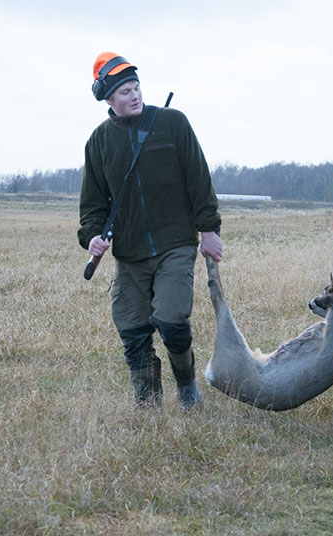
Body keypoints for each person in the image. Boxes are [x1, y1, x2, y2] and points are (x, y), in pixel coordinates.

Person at [78, 52, 223, 411]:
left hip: (176, 243)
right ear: (108, 99)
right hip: (130, 253)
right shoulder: (98, 142)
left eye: (136, 87)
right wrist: (92, 235)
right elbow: (93, 204)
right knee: (131, 327)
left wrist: (209, 229)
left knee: (171, 319)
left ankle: (186, 385)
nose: (134, 96)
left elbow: (199, 178)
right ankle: (147, 401)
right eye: (124, 91)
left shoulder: (173, 123)